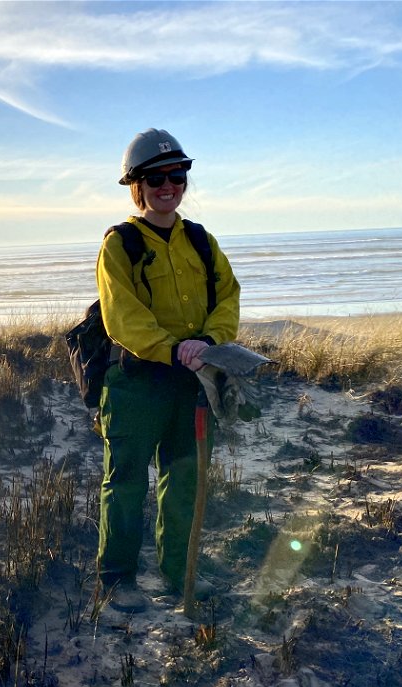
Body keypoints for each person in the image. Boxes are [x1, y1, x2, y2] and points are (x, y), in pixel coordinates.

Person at [95, 128, 240, 612]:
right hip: (136, 385)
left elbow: (228, 299)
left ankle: (179, 574)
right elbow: (123, 317)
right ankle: (117, 581)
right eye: (155, 177)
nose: (168, 185)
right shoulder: (120, 243)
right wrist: (175, 347)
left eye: (177, 175)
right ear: (136, 185)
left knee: (184, 482)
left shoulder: (201, 240)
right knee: (127, 484)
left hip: (192, 386)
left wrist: (211, 343)